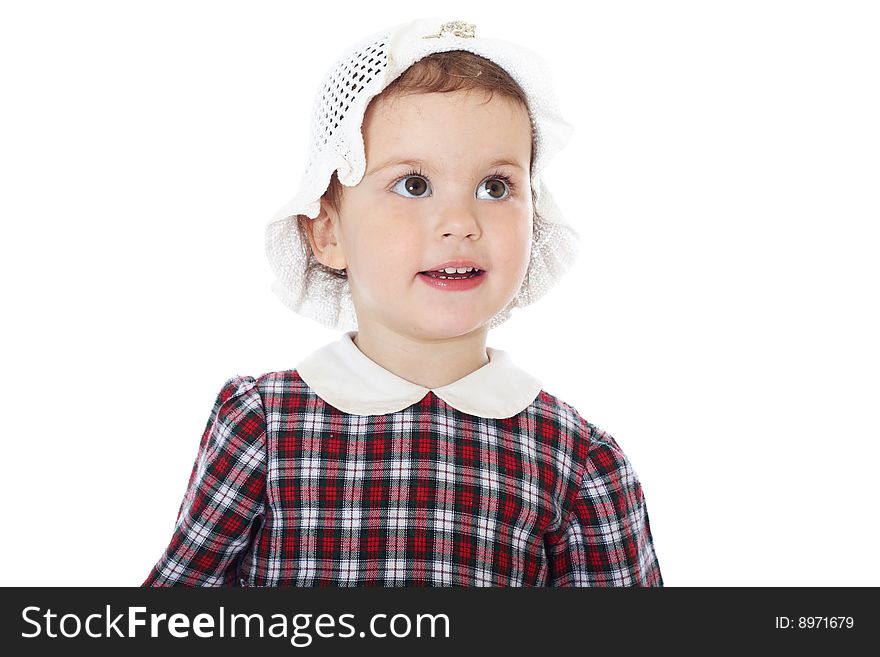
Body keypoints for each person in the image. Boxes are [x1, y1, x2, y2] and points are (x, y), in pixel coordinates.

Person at [143, 17, 663, 587]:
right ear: (327, 231)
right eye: (413, 184)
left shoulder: (576, 461)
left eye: (495, 187)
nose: (461, 223)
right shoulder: (263, 426)